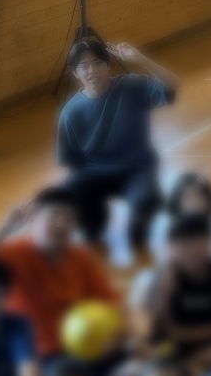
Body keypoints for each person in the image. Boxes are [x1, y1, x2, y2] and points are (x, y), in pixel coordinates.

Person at [55, 37, 180, 251]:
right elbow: (72, 162)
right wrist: (83, 198)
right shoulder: (71, 112)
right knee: (69, 192)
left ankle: (139, 226)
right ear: (75, 73)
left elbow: (172, 86)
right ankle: (95, 220)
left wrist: (140, 59)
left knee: (146, 203)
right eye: (84, 66)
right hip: (96, 173)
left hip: (137, 169)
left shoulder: (131, 86)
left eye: (98, 63)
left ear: (107, 65)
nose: (92, 70)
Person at [0, 191, 122, 359]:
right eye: (53, 215)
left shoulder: (81, 256)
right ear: (33, 219)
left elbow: (111, 300)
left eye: (69, 219)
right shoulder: (13, 254)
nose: (61, 223)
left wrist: (121, 333)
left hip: (85, 342)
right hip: (37, 353)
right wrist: (4, 228)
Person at [129, 213, 211, 375]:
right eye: (184, 245)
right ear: (171, 247)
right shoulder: (164, 277)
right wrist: (164, 295)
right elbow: (158, 330)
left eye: (199, 242)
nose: (193, 251)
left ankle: (189, 368)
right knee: (137, 349)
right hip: (173, 351)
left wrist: (185, 334)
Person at [147, 172, 211, 265]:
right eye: (188, 197)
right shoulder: (164, 224)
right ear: (177, 200)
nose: (195, 202)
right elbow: (162, 256)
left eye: (199, 196)